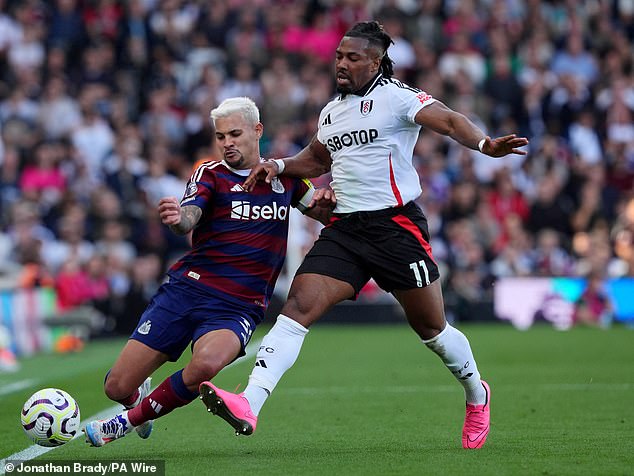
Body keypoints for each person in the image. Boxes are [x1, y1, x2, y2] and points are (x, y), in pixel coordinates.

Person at [199, 21, 528, 450]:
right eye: (338, 55)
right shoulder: (332, 111)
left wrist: (485, 145)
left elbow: (448, 120)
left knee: (432, 330)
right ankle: (249, 402)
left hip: (396, 227)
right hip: (347, 229)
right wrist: (278, 166)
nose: (341, 63)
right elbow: (317, 159)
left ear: (376, 61)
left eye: (352, 57)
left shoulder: (396, 97)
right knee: (298, 305)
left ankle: (476, 393)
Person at [83, 97, 334, 447]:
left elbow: (323, 213)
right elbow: (189, 215)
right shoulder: (210, 174)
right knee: (116, 386)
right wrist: (177, 219)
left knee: (206, 366)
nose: (227, 143)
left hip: (238, 306)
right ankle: (135, 397)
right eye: (221, 136)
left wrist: (332, 200)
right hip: (187, 291)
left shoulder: (286, 179)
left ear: (257, 131)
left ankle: (124, 423)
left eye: (234, 134)